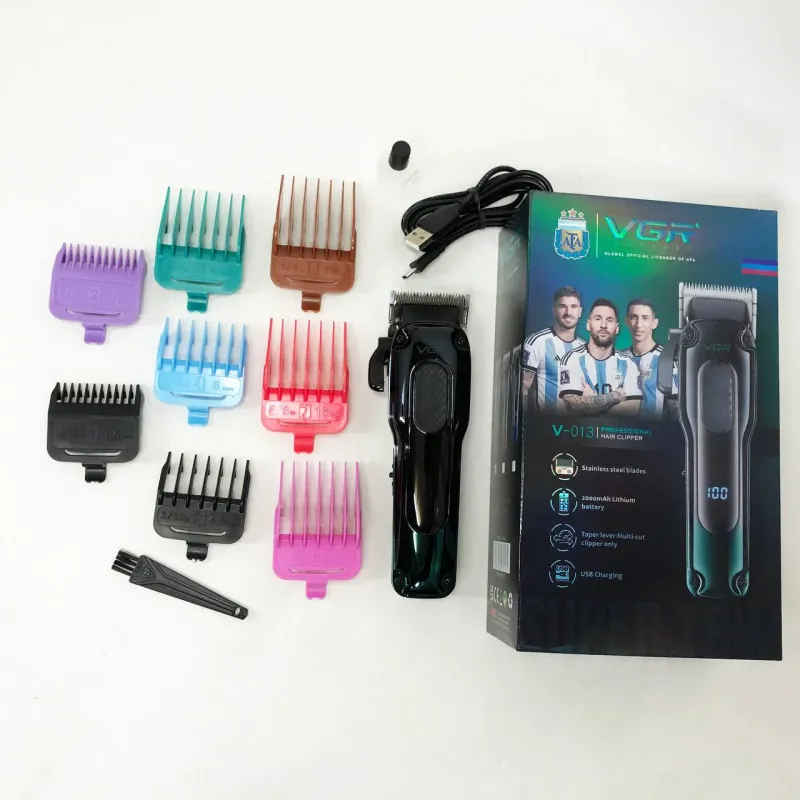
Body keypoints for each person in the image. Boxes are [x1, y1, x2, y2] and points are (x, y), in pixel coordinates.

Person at [559, 298, 641, 416]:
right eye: (598, 319)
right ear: (588, 325)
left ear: (617, 328)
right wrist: (615, 396)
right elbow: (572, 406)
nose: (603, 325)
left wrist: (591, 404)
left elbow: (633, 409)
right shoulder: (572, 359)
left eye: (609, 320)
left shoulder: (629, 364)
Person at [522, 287, 586, 413]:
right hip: (547, 423)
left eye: (573, 307)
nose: (568, 312)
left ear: (580, 312)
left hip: (579, 423)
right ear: (554, 311)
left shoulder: (584, 348)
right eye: (562, 306)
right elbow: (522, 389)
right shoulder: (536, 342)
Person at [619, 298, 678, 420]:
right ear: (627, 321)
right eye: (633, 317)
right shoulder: (619, 358)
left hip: (654, 430)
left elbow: (676, 408)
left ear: (654, 323)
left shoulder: (668, 360)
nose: (638, 324)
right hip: (622, 429)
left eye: (645, 318)